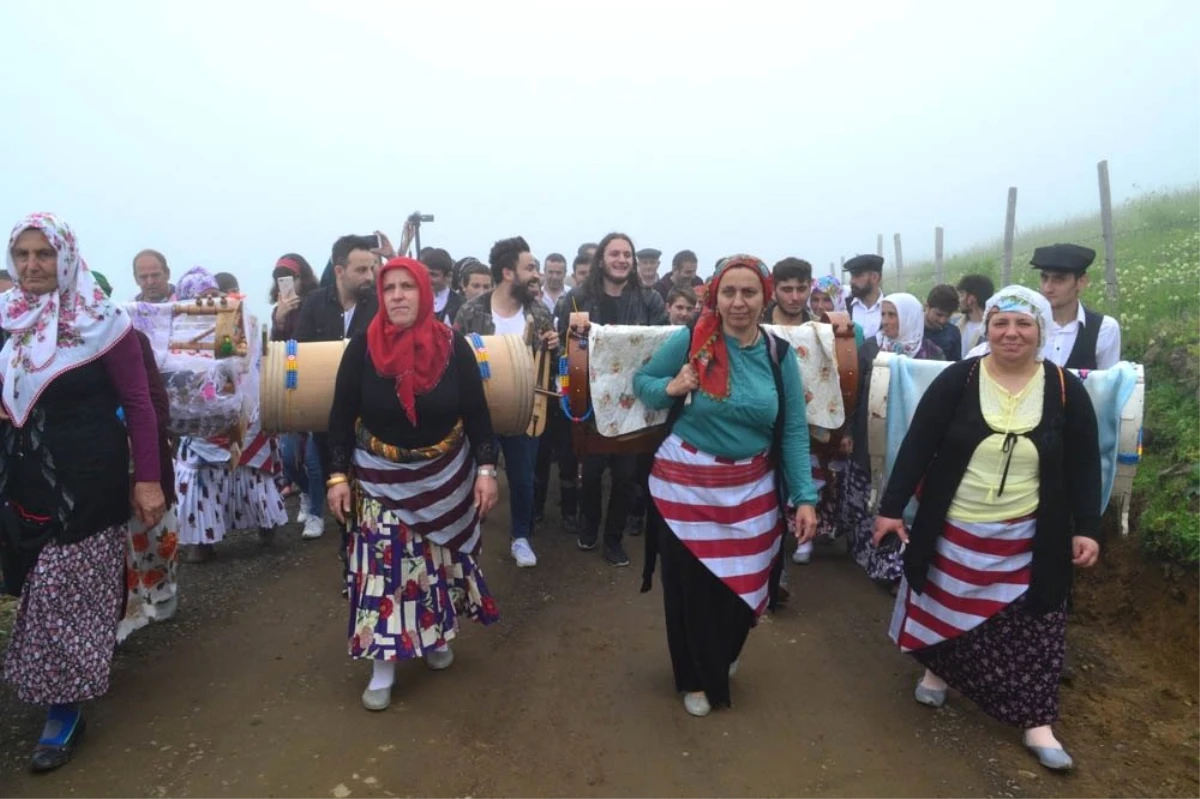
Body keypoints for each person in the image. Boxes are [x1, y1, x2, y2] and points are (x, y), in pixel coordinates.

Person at [873, 285, 1101, 772]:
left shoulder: (1064, 389)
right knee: (947, 605)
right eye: (1001, 323)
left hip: (1029, 536)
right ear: (988, 329)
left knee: (1037, 628)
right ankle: (937, 673)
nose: (1011, 334)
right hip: (955, 526)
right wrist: (891, 508)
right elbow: (917, 444)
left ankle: (1037, 722)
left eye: (1023, 325)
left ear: (1041, 332)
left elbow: (1084, 465)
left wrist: (1087, 527)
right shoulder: (959, 380)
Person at [0, 213, 166, 771]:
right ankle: (69, 670)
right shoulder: (10, 319)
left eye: (42, 254)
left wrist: (148, 478)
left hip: (89, 478)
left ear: (66, 257)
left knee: (60, 589)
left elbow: (140, 404)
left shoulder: (103, 321)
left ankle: (64, 710)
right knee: (38, 585)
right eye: (21, 255)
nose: (31, 266)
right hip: (26, 477)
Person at [634, 255, 817, 716]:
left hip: (751, 489)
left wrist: (805, 497)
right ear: (714, 295)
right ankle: (695, 677)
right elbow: (644, 382)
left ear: (765, 296)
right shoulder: (691, 341)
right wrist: (672, 387)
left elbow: (793, 428)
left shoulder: (777, 355)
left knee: (745, 588)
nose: (738, 302)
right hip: (683, 488)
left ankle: (724, 651)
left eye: (749, 292)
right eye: (729, 292)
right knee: (691, 590)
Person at [326, 257, 500, 711]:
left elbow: (478, 414)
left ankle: (436, 636)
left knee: (437, 566)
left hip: (446, 478)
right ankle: (383, 665)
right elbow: (340, 416)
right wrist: (338, 476)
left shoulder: (453, 346)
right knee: (385, 573)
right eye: (389, 288)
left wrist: (486, 470)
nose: (398, 295)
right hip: (379, 478)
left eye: (408, 287)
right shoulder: (362, 349)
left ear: (425, 294)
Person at [556, 233, 667, 566]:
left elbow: (662, 343)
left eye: (627, 254)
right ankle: (590, 527)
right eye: (615, 253)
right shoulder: (575, 298)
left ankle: (613, 538)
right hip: (589, 399)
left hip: (634, 400)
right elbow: (567, 348)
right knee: (590, 473)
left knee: (625, 475)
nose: (622, 259)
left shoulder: (650, 300)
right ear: (601, 259)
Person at [454, 236, 558, 568]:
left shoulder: (540, 313)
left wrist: (554, 350)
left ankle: (521, 537)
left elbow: (552, 369)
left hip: (524, 410)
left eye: (537, 268)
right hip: (478, 411)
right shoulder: (472, 311)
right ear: (508, 272)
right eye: (529, 268)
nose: (536, 275)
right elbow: (453, 358)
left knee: (524, 477)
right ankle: (467, 534)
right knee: (469, 474)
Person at [174, 267, 288, 562]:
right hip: (198, 422)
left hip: (242, 413)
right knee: (198, 477)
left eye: (213, 296)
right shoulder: (175, 334)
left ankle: (266, 521)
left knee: (253, 472)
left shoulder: (243, 323)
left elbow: (256, 366)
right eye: (201, 298)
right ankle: (201, 539)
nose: (210, 303)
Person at [93, 270, 181, 642]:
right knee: (113, 544)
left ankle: (162, 589)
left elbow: (153, 400)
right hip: (99, 460)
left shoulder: (134, 341)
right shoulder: (64, 349)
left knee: (152, 530)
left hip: (140, 452)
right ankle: (123, 613)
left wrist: (137, 433)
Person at [844, 292, 945, 588]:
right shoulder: (870, 349)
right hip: (869, 437)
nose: (886, 321)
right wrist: (849, 432)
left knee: (900, 498)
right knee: (868, 499)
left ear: (910, 318)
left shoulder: (932, 354)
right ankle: (867, 554)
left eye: (893, 315)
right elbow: (854, 395)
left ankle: (891, 566)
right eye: (884, 315)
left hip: (910, 440)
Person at [268, 254, 326, 539]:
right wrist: (279, 319)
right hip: (289, 387)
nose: (288, 282)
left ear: (305, 277)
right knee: (290, 457)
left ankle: (316, 513)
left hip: (314, 383)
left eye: (293, 276)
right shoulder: (278, 311)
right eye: (280, 277)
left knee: (313, 457)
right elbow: (274, 353)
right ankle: (305, 493)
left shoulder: (318, 303)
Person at [1032, 244, 1121, 369]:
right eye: (1044, 278)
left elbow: (1109, 385)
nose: (1047, 288)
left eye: (1059, 280)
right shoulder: (1026, 325)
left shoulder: (1104, 329)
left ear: (1081, 282)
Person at [419, 246, 463, 325]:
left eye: (433, 275)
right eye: (425, 274)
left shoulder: (459, 304)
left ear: (448, 276)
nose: (428, 279)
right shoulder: (416, 299)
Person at [844, 254, 885, 338]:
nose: (852, 281)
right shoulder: (845, 307)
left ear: (875, 277)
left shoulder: (891, 307)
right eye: (852, 276)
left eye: (857, 276)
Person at [763, 257, 812, 325]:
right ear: (773, 291)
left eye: (801, 289)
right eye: (787, 290)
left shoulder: (821, 328)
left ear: (809, 289)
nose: (795, 298)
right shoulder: (754, 326)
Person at [955, 274, 994, 357]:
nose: (959, 300)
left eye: (961, 295)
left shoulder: (992, 330)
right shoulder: (955, 324)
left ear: (972, 299)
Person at [923, 284, 962, 362]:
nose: (942, 320)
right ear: (927, 307)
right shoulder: (913, 328)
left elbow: (955, 365)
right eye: (939, 314)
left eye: (947, 316)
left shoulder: (953, 332)